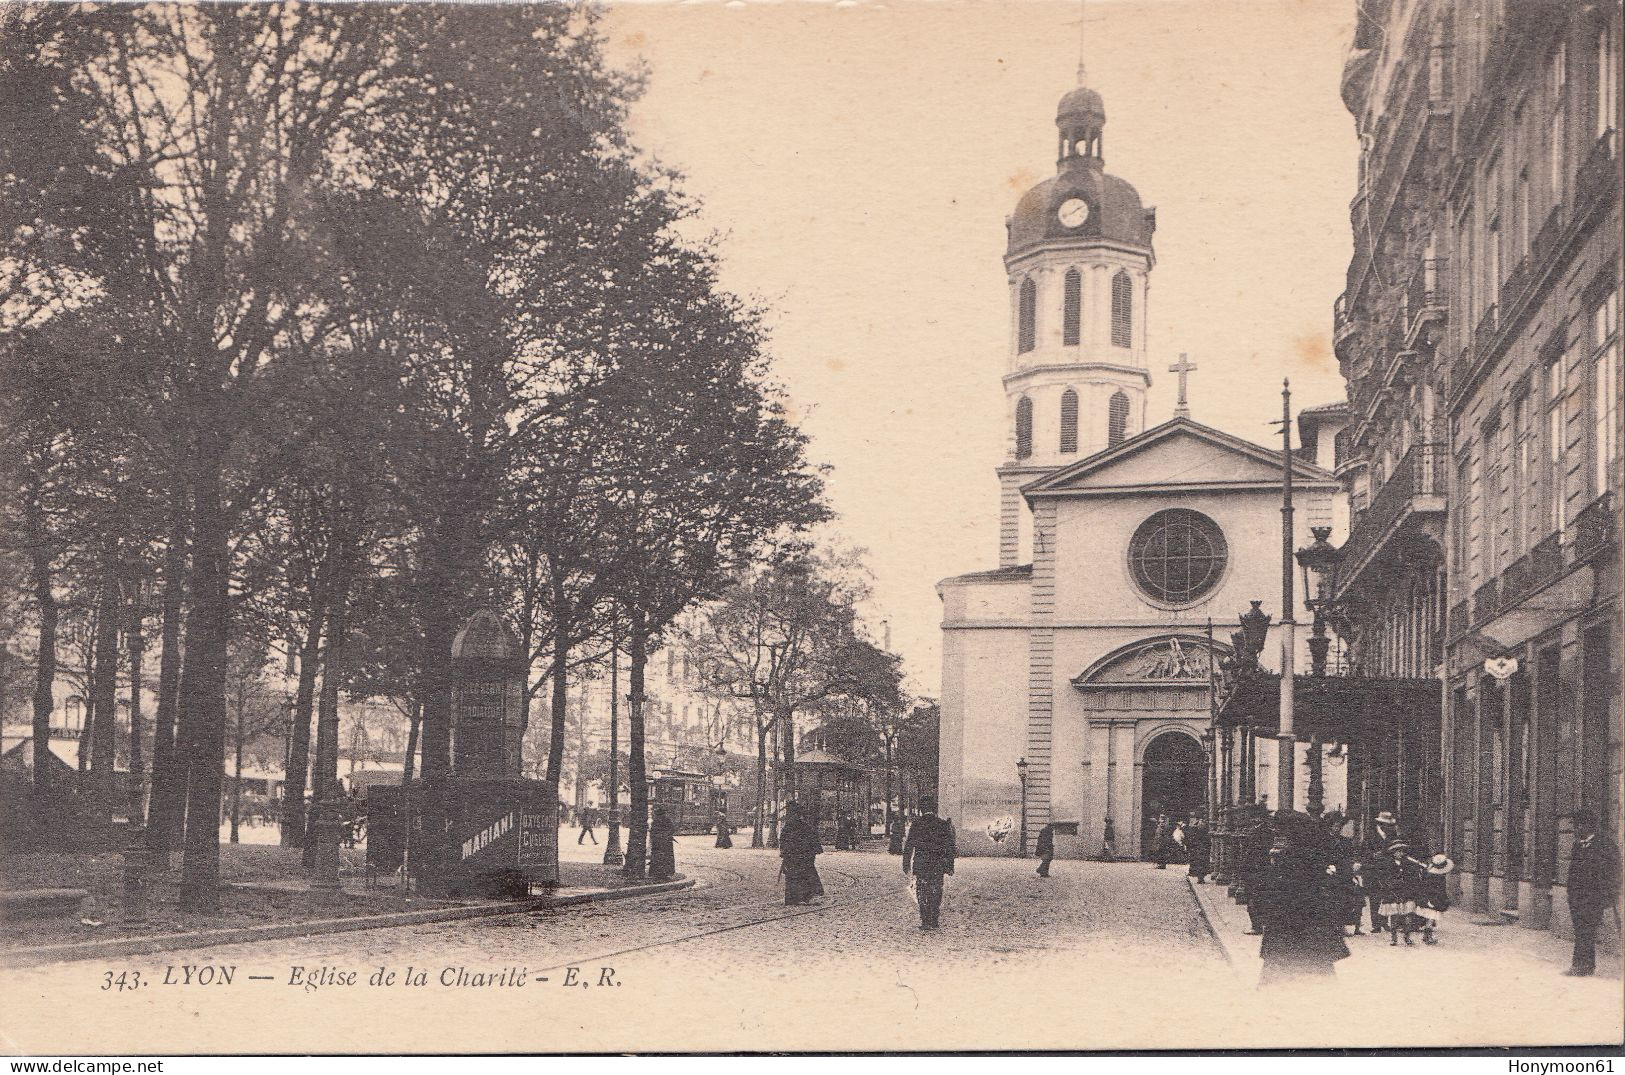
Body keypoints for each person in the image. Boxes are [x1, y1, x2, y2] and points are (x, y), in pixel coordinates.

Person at [1252, 810, 1350, 987]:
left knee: (1283, 962)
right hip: (1309, 919)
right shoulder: (1311, 855)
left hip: (1290, 919)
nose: (1278, 835)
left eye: (1281, 831)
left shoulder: (1291, 856)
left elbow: (1276, 889)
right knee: (1315, 962)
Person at [1564, 809, 1619, 977]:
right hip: (1577, 898)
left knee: (1586, 930)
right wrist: (1570, 894)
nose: (1576, 829)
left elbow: (1615, 871)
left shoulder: (1605, 844)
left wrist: (1608, 895)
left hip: (1595, 897)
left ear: (1588, 825)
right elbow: (1572, 872)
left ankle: (1581, 966)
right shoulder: (1577, 845)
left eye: (1578, 825)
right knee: (1580, 930)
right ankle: (1584, 965)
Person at [902, 795, 957, 930]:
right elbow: (950, 847)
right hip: (937, 864)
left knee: (922, 891)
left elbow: (909, 845)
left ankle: (925, 920)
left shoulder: (917, 824)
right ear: (934, 808)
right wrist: (949, 866)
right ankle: (934, 919)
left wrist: (906, 863)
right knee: (936, 890)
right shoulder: (943, 824)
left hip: (921, 864)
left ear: (921, 809)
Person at [1363, 810, 1402, 936]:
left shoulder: (1392, 835)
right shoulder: (1370, 835)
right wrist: (1372, 855)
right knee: (1374, 897)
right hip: (1373, 870)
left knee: (1387, 896)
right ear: (1380, 823)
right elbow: (1363, 852)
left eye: (1389, 825)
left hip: (1387, 870)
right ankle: (1376, 925)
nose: (1388, 827)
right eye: (1385, 824)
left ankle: (1384, 922)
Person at [1376, 840, 1420, 946]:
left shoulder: (1409, 863)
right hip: (1393, 893)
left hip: (1406, 893)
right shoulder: (1387, 863)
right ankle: (1394, 938)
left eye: (1402, 851)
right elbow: (1383, 878)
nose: (1400, 853)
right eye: (1398, 851)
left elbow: (1413, 877)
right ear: (1393, 852)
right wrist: (1390, 884)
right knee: (1394, 916)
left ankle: (1407, 937)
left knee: (1408, 916)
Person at [779, 802, 822, 905]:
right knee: (802, 875)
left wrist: (784, 851)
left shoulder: (790, 826)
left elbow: (783, 840)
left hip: (795, 856)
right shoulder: (804, 826)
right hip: (800, 856)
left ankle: (793, 898)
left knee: (793, 876)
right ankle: (802, 897)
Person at [1415, 852, 1453, 945]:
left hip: (1428, 898)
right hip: (1433, 900)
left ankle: (1426, 936)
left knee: (1429, 918)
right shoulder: (1438, 877)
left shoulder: (1430, 873)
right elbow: (1439, 890)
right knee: (1431, 918)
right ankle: (1428, 937)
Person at [648, 806, 677, 880]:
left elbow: (652, 832)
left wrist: (656, 838)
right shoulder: (667, 820)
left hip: (657, 843)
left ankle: (655, 873)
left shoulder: (655, 821)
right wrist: (666, 836)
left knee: (657, 857)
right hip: (666, 842)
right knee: (666, 858)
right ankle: (666, 873)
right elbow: (672, 829)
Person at [1186, 816, 1212, 883]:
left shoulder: (1195, 828)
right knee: (1202, 864)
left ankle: (1200, 878)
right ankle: (1201, 878)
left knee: (1199, 863)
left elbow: (1191, 839)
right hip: (1202, 848)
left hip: (1198, 848)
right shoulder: (1204, 827)